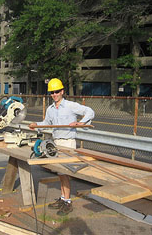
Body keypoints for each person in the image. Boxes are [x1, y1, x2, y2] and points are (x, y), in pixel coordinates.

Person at [29, 78, 95, 216]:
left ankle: (68, 202)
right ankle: (63, 198)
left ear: (62, 91)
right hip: (56, 143)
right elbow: (46, 123)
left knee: (65, 173)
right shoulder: (50, 109)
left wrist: (81, 123)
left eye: (57, 91)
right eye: (52, 92)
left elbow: (90, 111)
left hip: (68, 142)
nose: (54, 94)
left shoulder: (71, 105)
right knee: (60, 173)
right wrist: (36, 124)